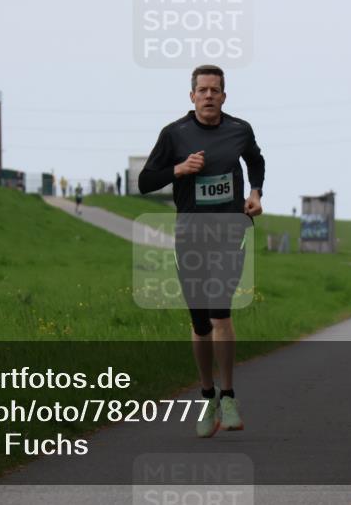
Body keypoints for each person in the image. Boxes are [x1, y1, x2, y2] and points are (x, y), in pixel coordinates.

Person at [139, 64, 265, 438]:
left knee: (219, 312)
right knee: (200, 323)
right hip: (190, 238)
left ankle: (229, 396)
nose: (209, 95)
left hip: (229, 234)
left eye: (215, 90)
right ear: (192, 96)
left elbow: (256, 160)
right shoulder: (174, 134)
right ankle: (207, 396)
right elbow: (145, 181)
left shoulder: (240, 130)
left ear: (224, 96)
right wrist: (178, 169)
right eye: (203, 90)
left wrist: (255, 193)